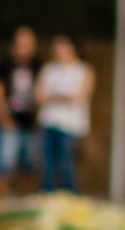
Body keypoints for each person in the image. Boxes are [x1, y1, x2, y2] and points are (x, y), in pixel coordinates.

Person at [35, 35, 93, 194]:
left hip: (70, 126)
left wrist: (53, 96)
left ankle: (70, 197)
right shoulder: (49, 69)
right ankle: (47, 197)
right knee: (47, 166)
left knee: (66, 166)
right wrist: (63, 96)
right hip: (48, 123)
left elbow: (79, 96)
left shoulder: (83, 70)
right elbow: (39, 96)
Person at [0, 27, 41, 197]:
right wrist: (4, 117)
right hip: (10, 121)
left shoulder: (37, 65)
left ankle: (27, 201)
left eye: (28, 44)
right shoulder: (5, 65)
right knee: (5, 165)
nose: (25, 48)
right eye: (21, 44)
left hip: (31, 123)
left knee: (29, 166)